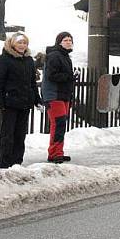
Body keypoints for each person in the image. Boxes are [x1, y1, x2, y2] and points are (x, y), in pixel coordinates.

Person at [0, 32, 41, 169]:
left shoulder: (29, 60)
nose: (22, 45)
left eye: (24, 43)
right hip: (10, 104)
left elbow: (33, 83)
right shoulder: (4, 59)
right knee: (7, 136)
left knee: (20, 136)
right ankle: (3, 165)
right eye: (19, 42)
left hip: (25, 103)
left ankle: (16, 164)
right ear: (12, 44)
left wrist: (37, 100)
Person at [41, 31, 76, 163]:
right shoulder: (55, 55)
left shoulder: (65, 56)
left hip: (63, 95)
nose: (68, 42)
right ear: (59, 42)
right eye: (65, 40)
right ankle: (55, 153)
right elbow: (52, 75)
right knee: (58, 123)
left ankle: (57, 151)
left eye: (70, 40)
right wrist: (69, 77)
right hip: (54, 95)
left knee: (60, 124)